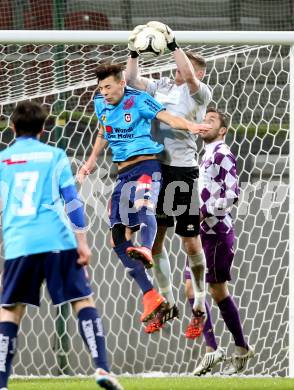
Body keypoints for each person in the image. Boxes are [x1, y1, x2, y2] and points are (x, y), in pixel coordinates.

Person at [0, 101, 123, 390]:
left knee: (9, 311)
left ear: (12, 127)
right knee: (83, 301)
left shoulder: (3, 160)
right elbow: (72, 202)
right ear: (44, 129)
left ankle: (2, 383)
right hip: (58, 240)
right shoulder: (55, 156)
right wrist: (82, 243)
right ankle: (102, 368)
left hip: (20, 244)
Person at [78, 63, 210, 328]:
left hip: (147, 166)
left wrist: (191, 126)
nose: (104, 92)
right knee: (117, 239)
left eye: (108, 86)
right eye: (100, 87)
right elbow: (103, 131)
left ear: (121, 83)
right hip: (122, 174)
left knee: (144, 206)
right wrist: (91, 160)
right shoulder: (100, 104)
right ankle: (150, 294)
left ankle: (147, 249)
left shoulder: (138, 99)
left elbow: (168, 118)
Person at [126, 21, 212, 334]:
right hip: (157, 170)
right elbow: (131, 79)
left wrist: (175, 46)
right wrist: (134, 51)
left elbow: (188, 74)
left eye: (183, 67)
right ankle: (167, 303)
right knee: (155, 241)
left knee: (189, 243)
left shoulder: (199, 93)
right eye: (176, 66)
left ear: (198, 72)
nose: (177, 72)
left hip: (183, 171)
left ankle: (200, 305)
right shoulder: (160, 88)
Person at [184, 107, 254, 376]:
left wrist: (205, 211)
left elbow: (234, 195)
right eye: (204, 119)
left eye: (211, 121)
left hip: (216, 233)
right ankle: (212, 349)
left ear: (222, 130)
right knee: (191, 290)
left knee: (216, 291)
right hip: (200, 232)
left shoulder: (222, 153)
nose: (205, 123)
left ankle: (241, 347)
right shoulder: (205, 155)